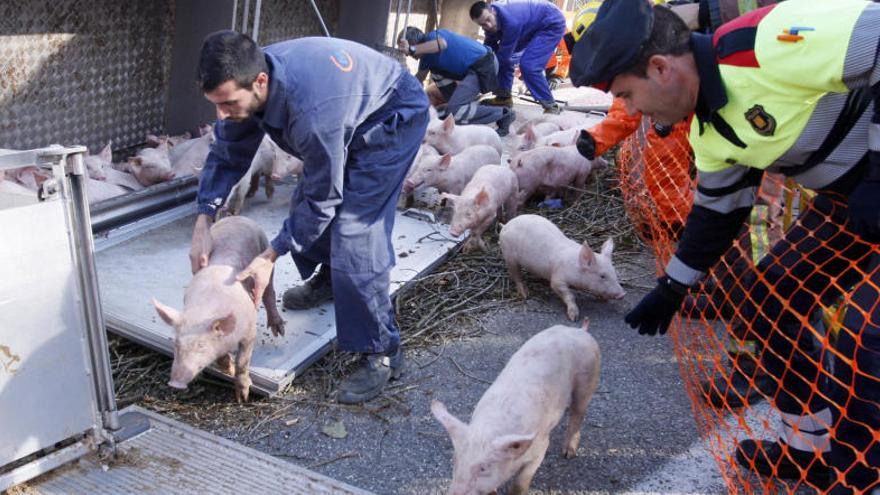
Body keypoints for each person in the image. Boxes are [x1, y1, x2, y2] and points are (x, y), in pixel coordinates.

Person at [570, 0, 880, 492]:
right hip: (853, 200)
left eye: (628, 95)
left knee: (865, 334)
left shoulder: (765, 42)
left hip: (870, 186)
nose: (630, 112)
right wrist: (672, 289)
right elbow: (717, 212)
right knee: (770, 298)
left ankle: (863, 476)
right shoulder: (708, 131)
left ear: (660, 68)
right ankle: (810, 449)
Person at [190, 31, 430, 405]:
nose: (222, 114)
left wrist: (271, 255)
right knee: (303, 204)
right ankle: (333, 280)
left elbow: (324, 198)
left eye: (228, 104)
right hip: (346, 107)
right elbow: (227, 153)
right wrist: (203, 219)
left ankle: (383, 350)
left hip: (392, 116)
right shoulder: (245, 79)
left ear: (261, 82)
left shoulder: (311, 111)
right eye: (215, 104)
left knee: (355, 234)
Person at [398, 26, 516, 136]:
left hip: (483, 65)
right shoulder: (426, 59)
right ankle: (457, 105)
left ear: (413, 43)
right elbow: (418, 79)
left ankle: (504, 113)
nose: (408, 55)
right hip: (473, 69)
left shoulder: (433, 37)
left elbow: (442, 44)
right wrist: (399, 96)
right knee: (436, 73)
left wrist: (412, 49)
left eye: (406, 50)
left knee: (454, 110)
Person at [469, 0, 566, 114]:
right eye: (483, 24)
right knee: (499, 58)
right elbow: (489, 48)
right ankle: (503, 97)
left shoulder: (511, 21)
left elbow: (504, 56)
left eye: (488, 20)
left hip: (550, 22)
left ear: (493, 11)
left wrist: (485, 75)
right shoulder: (491, 23)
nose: (488, 25)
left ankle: (551, 106)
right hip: (529, 25)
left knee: (529, 65)